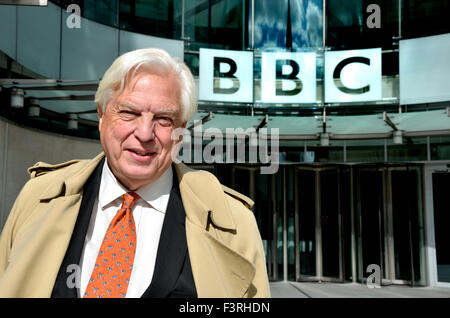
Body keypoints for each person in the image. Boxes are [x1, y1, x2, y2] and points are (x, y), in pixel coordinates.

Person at [0, 48, 270, 298]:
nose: (144, 134)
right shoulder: (37, 197)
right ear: (101, 115)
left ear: (181, 130)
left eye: (164, 119)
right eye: (128, 112)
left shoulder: (235, 223)